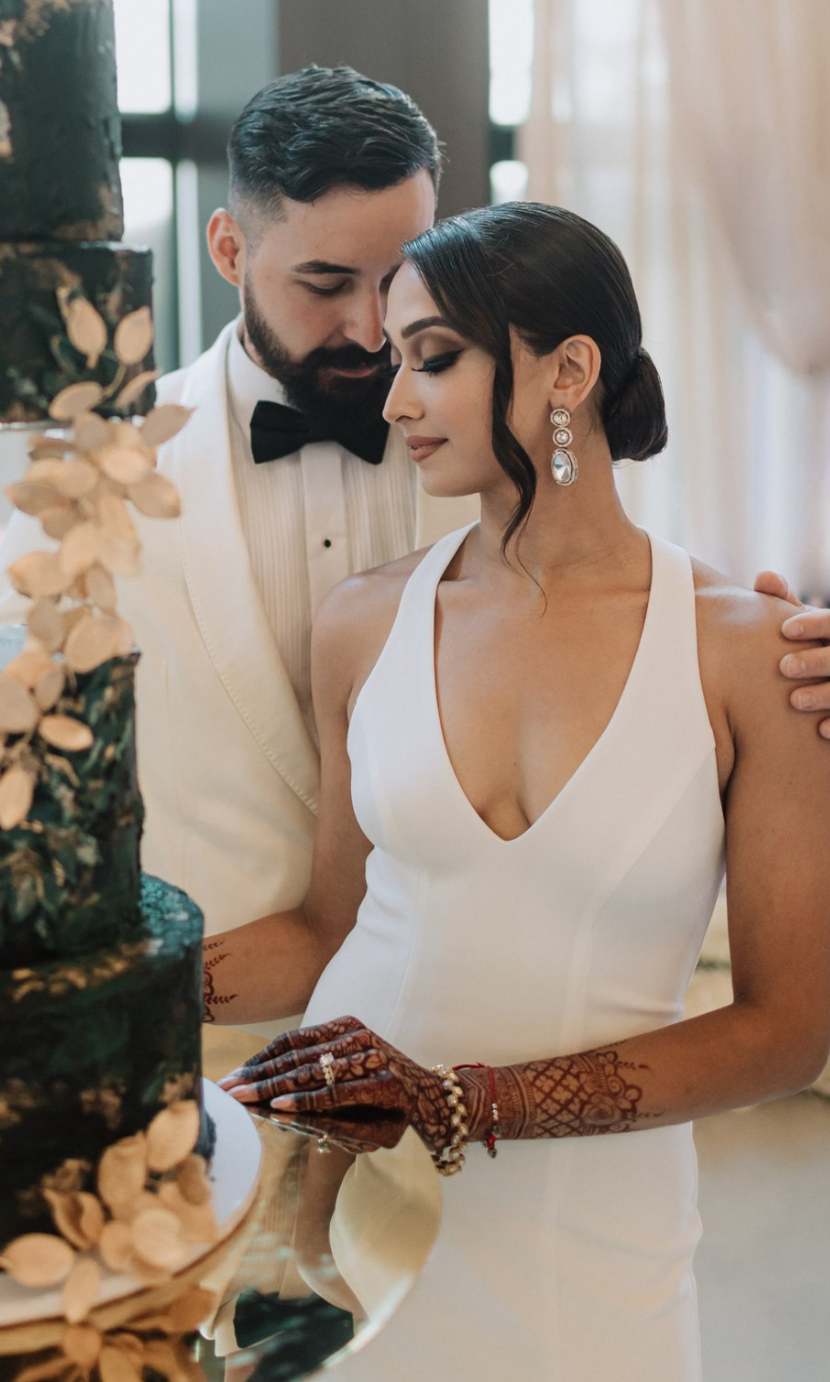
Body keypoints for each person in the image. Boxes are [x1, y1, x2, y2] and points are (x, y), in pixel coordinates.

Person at [0, 67, 830, 954]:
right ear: (230, 251)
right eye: (325, 283)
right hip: (204, 1031)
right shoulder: (91, 478)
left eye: (400, 276)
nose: (370, 326)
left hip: (468, 1036)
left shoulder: (514, 441)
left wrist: (784, 680)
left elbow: (637, 670)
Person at [214, 202, 830, 1380]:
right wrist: (103, 989)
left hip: (591, 1249)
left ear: (570, 370)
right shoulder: (363, 624)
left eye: (433, 358)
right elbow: (324, 929)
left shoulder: (755, 654)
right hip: (345, 1210)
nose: (395, 399)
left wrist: (457, 1103)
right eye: (397, 360)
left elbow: (787, 1035)